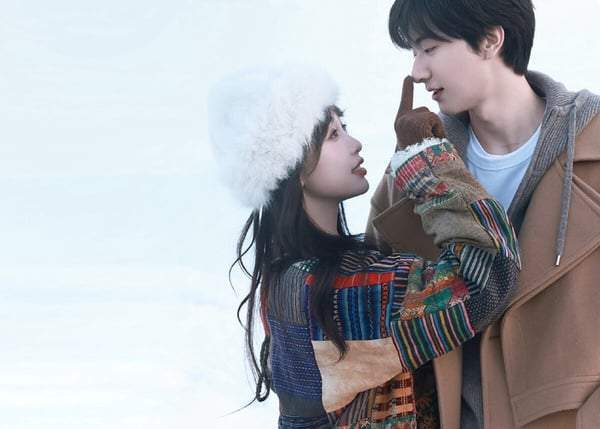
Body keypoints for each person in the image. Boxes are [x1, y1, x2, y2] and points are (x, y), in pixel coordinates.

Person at [208, 64, 520, 428]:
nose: (354, 143)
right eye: (333, 135)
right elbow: (490, 275)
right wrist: (425, 156)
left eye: (345, 128)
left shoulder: (288, 276)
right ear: (297, 168)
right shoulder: (336, 290)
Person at [366, 1, 600, 427]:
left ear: (491, 39)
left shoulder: (592, 144)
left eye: (430, 49)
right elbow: (373, 309)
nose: (417, 72)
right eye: (413, 53)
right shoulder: (416, 167)